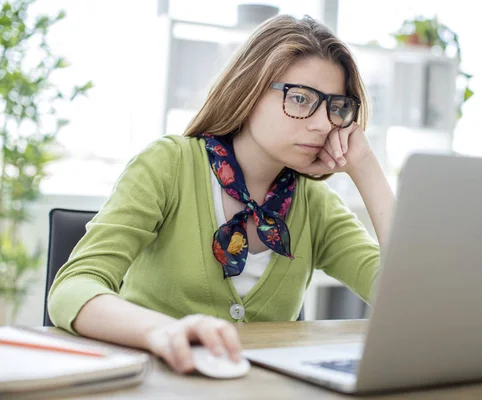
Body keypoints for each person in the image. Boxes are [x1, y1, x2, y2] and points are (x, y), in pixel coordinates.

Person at [48, 14, 394, 374]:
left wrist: (366, 168)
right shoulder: (169, 165)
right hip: (155, 385)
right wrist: (164, 332)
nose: (323, 123)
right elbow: (73, 287)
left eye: (335, 107)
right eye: (301, 98)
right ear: (250, 89)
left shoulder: (315, 205)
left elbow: (407, 300)